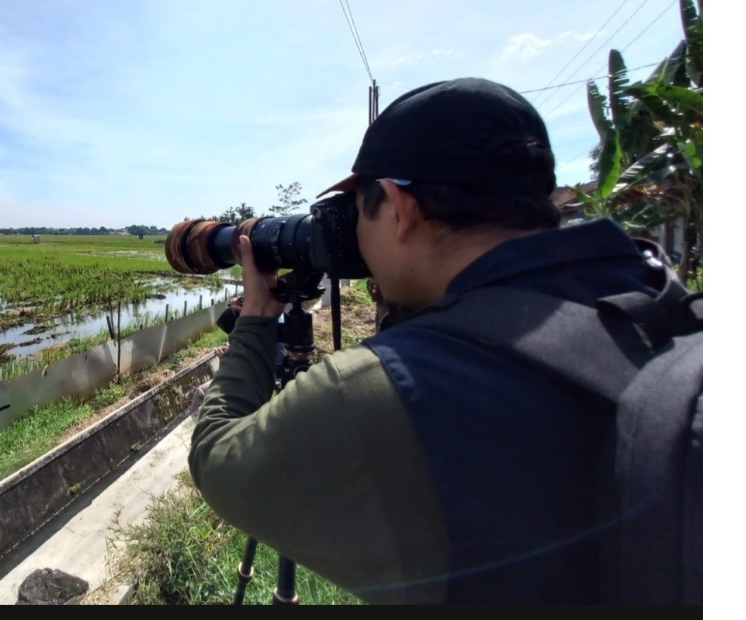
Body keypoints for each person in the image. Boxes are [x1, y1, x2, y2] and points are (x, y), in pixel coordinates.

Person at [188, 77, 665, 604]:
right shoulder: (655, 299)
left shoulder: (388, 385)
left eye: (356, 211)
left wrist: (256, 317)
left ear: (399, 206)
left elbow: (218, 461)